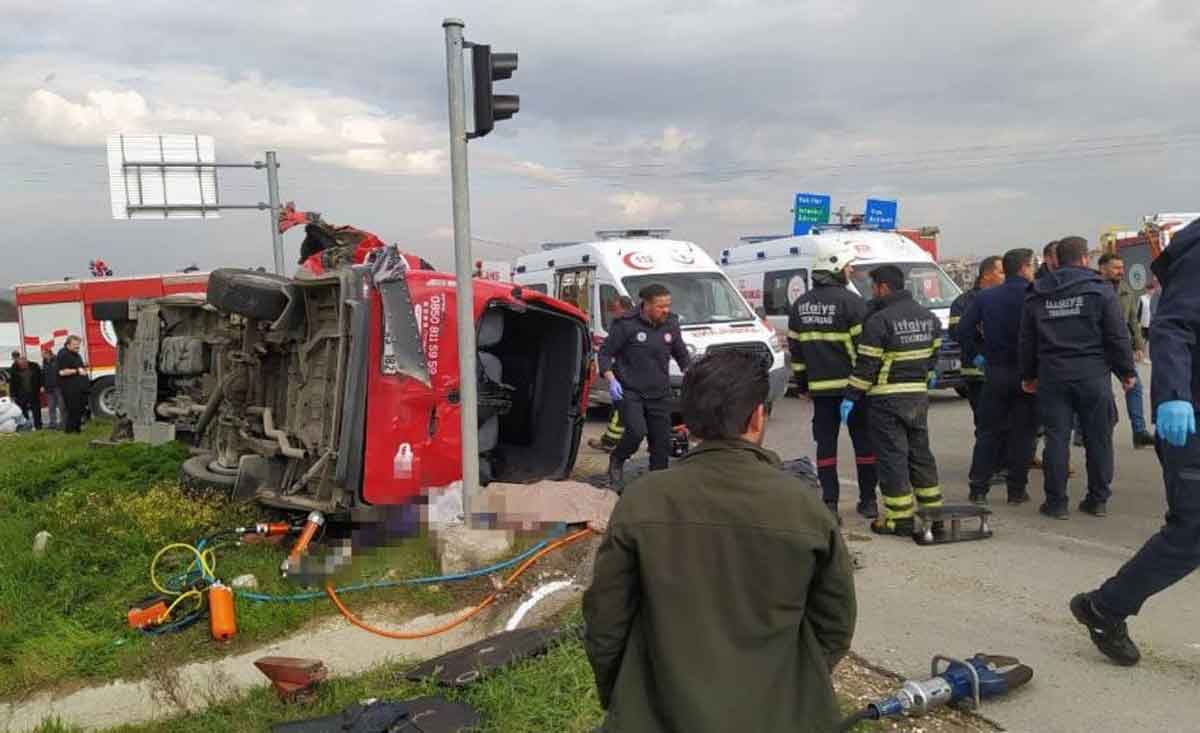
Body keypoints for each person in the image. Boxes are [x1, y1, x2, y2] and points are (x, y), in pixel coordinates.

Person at [583, 350, 856, 732]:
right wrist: (796, 684)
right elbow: (834, 624)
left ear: (689, 420)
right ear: (758, 415)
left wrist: (623, 696)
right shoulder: (804, 507)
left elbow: (605, 621)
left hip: (659, 713)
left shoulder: (643, 500)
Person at [1069, 217, 1200, 667]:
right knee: (1193, 531)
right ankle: (1104, 608)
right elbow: (1173, 327)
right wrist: (1176, 398)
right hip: (1190, 419)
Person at [1019, 236, 1137, 519]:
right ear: (1085, 258)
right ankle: (1097, 499)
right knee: (1099, 438)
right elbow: (1117, 334)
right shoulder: (1099, 289)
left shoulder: (1037, 291)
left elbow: (1027, 340)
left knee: (1056, 439)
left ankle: (1056, 503)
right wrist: (1126, 371)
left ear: (1056, 260)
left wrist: (1028, 375)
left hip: (1053, 375)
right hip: (1092, 374)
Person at [843, 265, 943, 535]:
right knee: (921, 454)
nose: (872, 292)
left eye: (873, 287)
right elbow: (934, 355)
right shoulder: (929, 318)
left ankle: (899, 519)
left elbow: (866, 366)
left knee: (892, 457)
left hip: (887, 399)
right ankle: (933, 511)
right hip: (918, 397)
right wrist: (928, 373)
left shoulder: (879, 321)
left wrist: (851, 396)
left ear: (884, 287)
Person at [787, 239, 878, 520]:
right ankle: (868, 501)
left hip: (820, 392)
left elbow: (797, 352)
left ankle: (830, 504)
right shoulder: (852, 303)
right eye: (848, 267)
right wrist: (863, 385)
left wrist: (803, 385)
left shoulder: (800, 305)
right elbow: (864, 351)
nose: (850, 272)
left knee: (826, 448)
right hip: (853, 391)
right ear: (836, 268)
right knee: (864, 446)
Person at [960, 248, 1039, 505]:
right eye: (1033, 266)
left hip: (995, 372)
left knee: (988, 432)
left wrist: (977, 353)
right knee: (1023, 434)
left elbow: (962, 331)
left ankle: (978, 488)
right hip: (1028, 374)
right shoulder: (1036, 295)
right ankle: (1016, 490)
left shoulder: (986, 297)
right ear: (1024, 268)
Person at [598, 284, 690, 491]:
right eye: (660, 306)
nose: (666, 310)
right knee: (636, 432)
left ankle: (656, 486)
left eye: (668, 305)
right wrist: (610, 378)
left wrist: (692, 373)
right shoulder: (625, 324)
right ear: (646, 305)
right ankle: (617, 459)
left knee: (662, 444)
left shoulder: (671, 323)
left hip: (659, 392)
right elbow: (604, 353)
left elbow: (681, 353)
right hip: (630, 391)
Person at [1098, 253, 1154, 448]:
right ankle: (1087, 433)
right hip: (1096, 350)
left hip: (1120, 348)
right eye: (1116, 268)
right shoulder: (1093, 289)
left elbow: (1132, 321)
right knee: (1101, 392)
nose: (1121, 271)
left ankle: (1139, 432)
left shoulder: (1126, 290)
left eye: (1122, 268)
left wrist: (1138, 346)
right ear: (1102, 268)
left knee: (1134, 387)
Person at [950, 256, 1004, 419]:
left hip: (1001, 372)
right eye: (1001, 272)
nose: (1005, 276)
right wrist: (977, 354)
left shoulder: (1003, 298)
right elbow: (956, 333)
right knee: (985, 424)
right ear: (986, 275)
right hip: (976, 373)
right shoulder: (963, 302)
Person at [589, 297, 636, 453]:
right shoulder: (636, 323)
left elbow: (611, 350)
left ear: (623, 308)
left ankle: (609, 443)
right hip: (629, 374)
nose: (611, 313)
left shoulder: (624, 325)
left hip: (626, 376)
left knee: (619, 412)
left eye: (614, 309)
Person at [57, 336, 89, 434]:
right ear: (68, 344)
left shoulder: (75, 354)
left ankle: (77, 429)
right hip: (70, 388)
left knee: (79, 409)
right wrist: (77, 371)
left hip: (79, 388)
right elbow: (62, 372)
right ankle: (70, 431)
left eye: (78, 345)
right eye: (75, 345)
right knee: (73, 410)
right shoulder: (63, 354)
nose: (77, 347)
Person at [6, 350, 43, 430]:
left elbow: (40, 377)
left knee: (36, 410)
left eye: (24, 364)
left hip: (34, 392)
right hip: (21, 394)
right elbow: (12, 383)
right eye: (20, 365)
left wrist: (42, 386)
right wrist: (12, 395)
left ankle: (38, 426)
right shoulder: (14, 369)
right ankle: (26, 426)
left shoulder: (35, 366)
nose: (22, 366)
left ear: (26, 362)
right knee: (23, 411)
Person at [41, 345, 61, 430]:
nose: (42, 356)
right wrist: (43, 385)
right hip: (48, 388)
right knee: (51, 406)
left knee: (62, 406)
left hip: (58, 387)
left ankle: (64, 422)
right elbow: (43, 375)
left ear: (48, 353)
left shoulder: (57, 360)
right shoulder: (44, 362)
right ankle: (53, 423)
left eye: (43, 354)